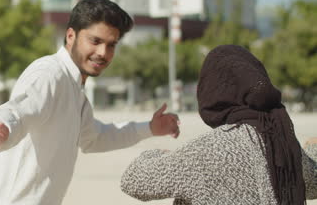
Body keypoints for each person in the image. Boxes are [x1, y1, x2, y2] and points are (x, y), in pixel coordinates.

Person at [0, 0, 180, 205]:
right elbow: (19, 111)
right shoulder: (50, 74)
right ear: (70, 36)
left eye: (111, 45)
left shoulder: (76, 91)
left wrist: (150, 128)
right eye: (95, 41)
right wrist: (0, 131)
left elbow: (95, 138)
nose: (103, 53)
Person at [121, 45, 317, 204]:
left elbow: (133, 180)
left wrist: (158, 155)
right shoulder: (285, 146)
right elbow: (313, 182)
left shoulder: (206, 152)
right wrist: (312, 148)